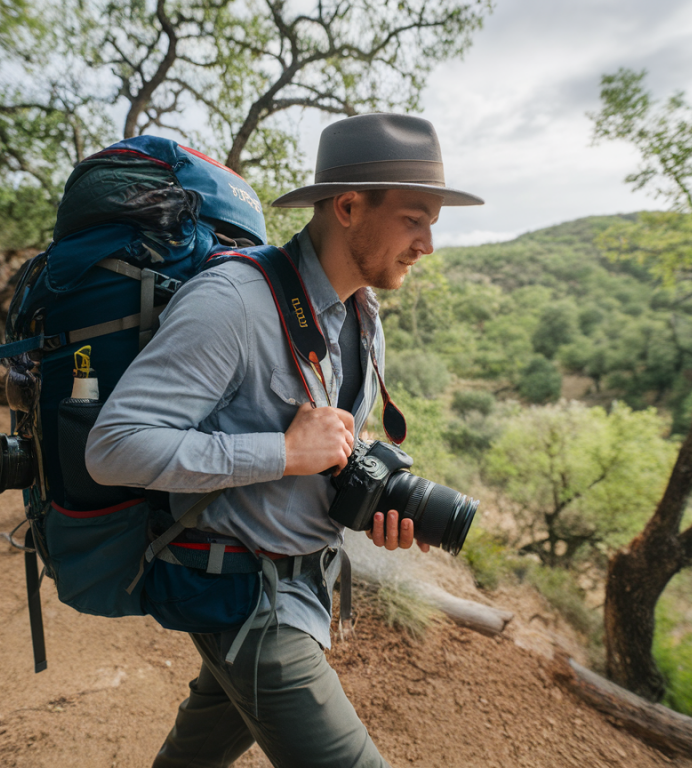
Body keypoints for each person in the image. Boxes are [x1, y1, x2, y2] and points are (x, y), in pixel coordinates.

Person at [85, 113, 483, 768]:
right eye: (415, 219)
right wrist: (284, 453)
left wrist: (375, 504)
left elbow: (323, 451)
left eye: (433, 223)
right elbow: (114, 447)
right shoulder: (234, 302)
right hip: (244, 601)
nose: (428, 244)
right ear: (349, 207)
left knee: (196, 754)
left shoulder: (363, 316)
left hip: (303, 589)